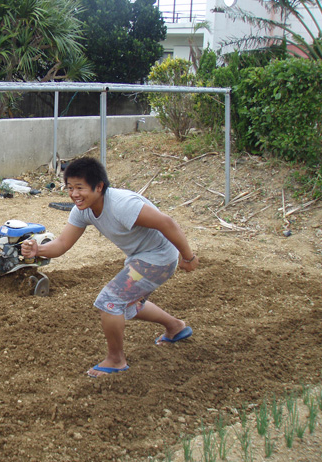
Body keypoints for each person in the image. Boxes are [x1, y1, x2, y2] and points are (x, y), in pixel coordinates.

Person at [21, 157, 198, 377]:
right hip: (140, 259)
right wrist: (38, 250)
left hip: (158, 258)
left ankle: (116, 360)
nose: (74, 194)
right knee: (129, 304)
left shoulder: (123, 204)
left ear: (99, 186)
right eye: (69, 188)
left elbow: (167, 222)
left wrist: (188, 257)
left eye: (80, 188)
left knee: (110, 301)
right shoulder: (82, 210)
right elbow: (62, 244)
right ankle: (175, 327)